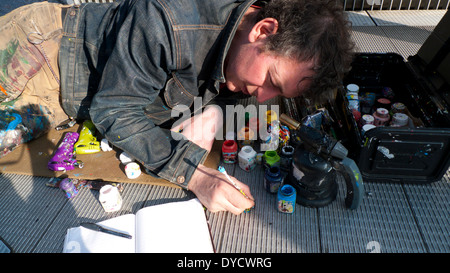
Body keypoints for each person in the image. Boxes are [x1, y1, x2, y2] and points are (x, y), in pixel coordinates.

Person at [0, 0, 353, 214]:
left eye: (278, 92)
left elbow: (247, 99)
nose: (263, 97)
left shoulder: (251, 50)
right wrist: (195, 175)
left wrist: (215, 112)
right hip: (43, 57)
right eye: (271, 81)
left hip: (78, 95)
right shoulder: (167, 18)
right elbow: (114, 109)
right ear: (263, 29)